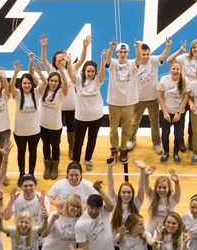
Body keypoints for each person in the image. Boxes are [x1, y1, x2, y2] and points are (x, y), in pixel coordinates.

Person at [69, 37, 107, 170]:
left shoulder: (97, 80)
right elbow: (70, 73)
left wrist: (102, 59)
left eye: (92, 71)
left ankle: (88, 159)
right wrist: (84, 47)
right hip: (81, 117)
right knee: (78, 141)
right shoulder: (78, 80)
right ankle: (76, 162)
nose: (90, 73)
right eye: (88, 71)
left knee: (92, 139)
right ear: (84, 71)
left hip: (96, 117)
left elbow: (102, 72)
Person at [33, 51, 70, 179]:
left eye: (56, 81)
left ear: (58, 83)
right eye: (51, 81)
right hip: (42, 125)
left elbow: (66, 84)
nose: (53, 83)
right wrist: (38, 72)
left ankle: (55, 167)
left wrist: (61, 70)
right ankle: (47, 167)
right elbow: (33, 77)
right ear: (48, 81)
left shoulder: (61, 93)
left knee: (55, 146)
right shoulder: (43, 89)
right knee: (45, 146)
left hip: (55, 126)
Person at [105, 41, 140, 163]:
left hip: (129, 102)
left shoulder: (132, 64)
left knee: (126, 129)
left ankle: (123, 149)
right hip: (114, 102)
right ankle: (114, 150)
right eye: (120, 52)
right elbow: (108, 60)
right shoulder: (113, 64)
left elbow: (139, 59)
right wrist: (110, 48)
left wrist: (138, 48)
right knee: (113, 129)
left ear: (128, 53)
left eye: (125, 52)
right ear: (117, 53)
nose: (123, 54)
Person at [157, 61, 189, 163]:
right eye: (173, 69)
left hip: (179, 114)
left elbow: (186, 97)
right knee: (165, 135)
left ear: (181, 70)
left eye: (177, 69)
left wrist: (179, 113)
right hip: (166, 112)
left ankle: (176, 153)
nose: (175, 71)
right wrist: (165, 112)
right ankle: (166, 152)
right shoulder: (164, 79)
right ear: (170, 69)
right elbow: (160, 96)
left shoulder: (185, 81)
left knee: (178, 136)